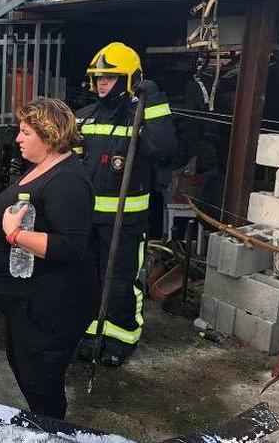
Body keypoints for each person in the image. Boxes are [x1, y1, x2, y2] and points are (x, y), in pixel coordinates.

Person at [0, 97, 99, 420]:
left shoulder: (67, 181)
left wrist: (14, 236)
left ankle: (50, 433)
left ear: (49, 135)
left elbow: (72, 246)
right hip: (26, 307)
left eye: (25, 132)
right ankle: (43, 428)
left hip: (51, 312)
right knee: (31, 380)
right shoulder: (43, 168)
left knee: (43, 388)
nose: (18, 138)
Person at [75, 42, 176, 367]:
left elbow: (163, 147)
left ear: (129, 79)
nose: (102, 83)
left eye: (110, 77)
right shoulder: (84, 119)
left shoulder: (141, 118)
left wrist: (156, 101)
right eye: (98, 78)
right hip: (87, 220)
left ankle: (122, 337)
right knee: (88, 279)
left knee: (120, 281)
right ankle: (92, 333)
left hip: (125, 222)